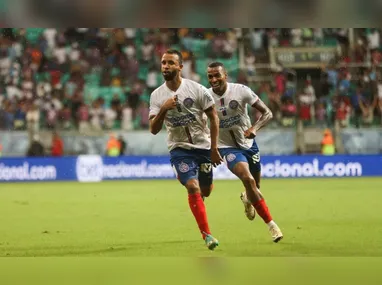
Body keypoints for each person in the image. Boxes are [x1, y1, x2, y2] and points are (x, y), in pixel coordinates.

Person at [149, 49, 223, 250]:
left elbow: (214, 118)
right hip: (179, 149)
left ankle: (199, 201)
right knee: (193, 187)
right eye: (163, 63)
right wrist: (164, 108)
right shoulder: (157, 96)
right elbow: (154, 130)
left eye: (170, 63)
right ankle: (207, 235)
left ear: (180, 67)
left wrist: (215, 148)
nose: (165, 66)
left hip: (204, 147)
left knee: (205, 189)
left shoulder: (198, 90)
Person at [206, 62, 283, 243]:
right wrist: (213, 148)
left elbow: (268, 113)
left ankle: (247, 198)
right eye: (210, 76)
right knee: (247, 180)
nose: (214, 79)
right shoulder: (205, 97)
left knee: (255, 187)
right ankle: (272, 225)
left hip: (249, 144)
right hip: (228, 148)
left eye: (217, 75)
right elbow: (201, 126)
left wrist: (255, 127)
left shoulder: (241, 91)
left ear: (225, 75)